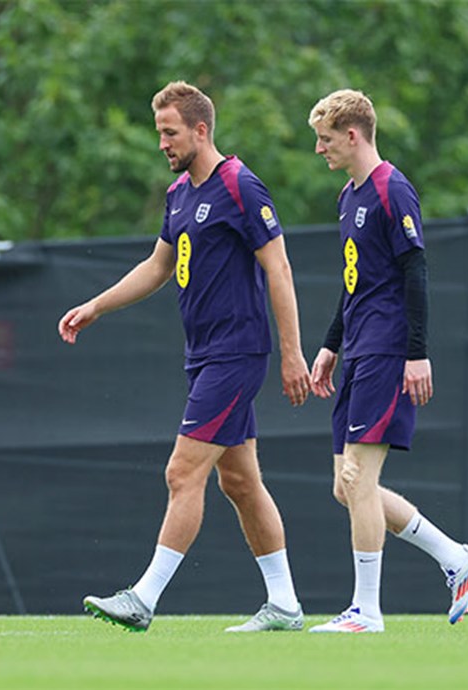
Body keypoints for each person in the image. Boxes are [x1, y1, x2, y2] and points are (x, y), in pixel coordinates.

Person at [58, 81, 312, 633]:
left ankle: (143, 599)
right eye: (159, 133)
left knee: (181, 472)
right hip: (204, 356)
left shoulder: (241, 186)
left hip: (236, 353)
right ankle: (286, 605)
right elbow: (156, 267)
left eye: (169, 132)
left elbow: (280, 270)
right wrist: (96, 306)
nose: (162, 143)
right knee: (240, 483)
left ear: (200, 130)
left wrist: (292, 354)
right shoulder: (179, 195)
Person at [305, 89, 468, 633]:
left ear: (354, 135)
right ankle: (457, 558)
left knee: (358, 478)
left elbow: (416, 273)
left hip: (389, 348)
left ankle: (366, 611)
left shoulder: (392, 189)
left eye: (325, 139)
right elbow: (354, 283)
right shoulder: (348, 197)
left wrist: (417, 353)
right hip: (360, 348)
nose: (320, 150)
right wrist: (331, 344)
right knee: (346, 487)